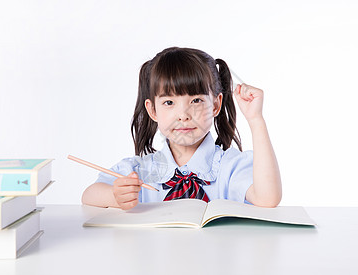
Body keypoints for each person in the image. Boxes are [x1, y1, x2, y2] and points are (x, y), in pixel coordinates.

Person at [82, 47, 281, 209]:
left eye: (196, 100)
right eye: (169, 102)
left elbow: (267, 198)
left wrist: (256, 119)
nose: (183, 114)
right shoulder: (139, 170)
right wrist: (115, 196)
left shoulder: (231, 167)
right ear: (153, 110)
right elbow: (89, 195)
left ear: (215, 105)